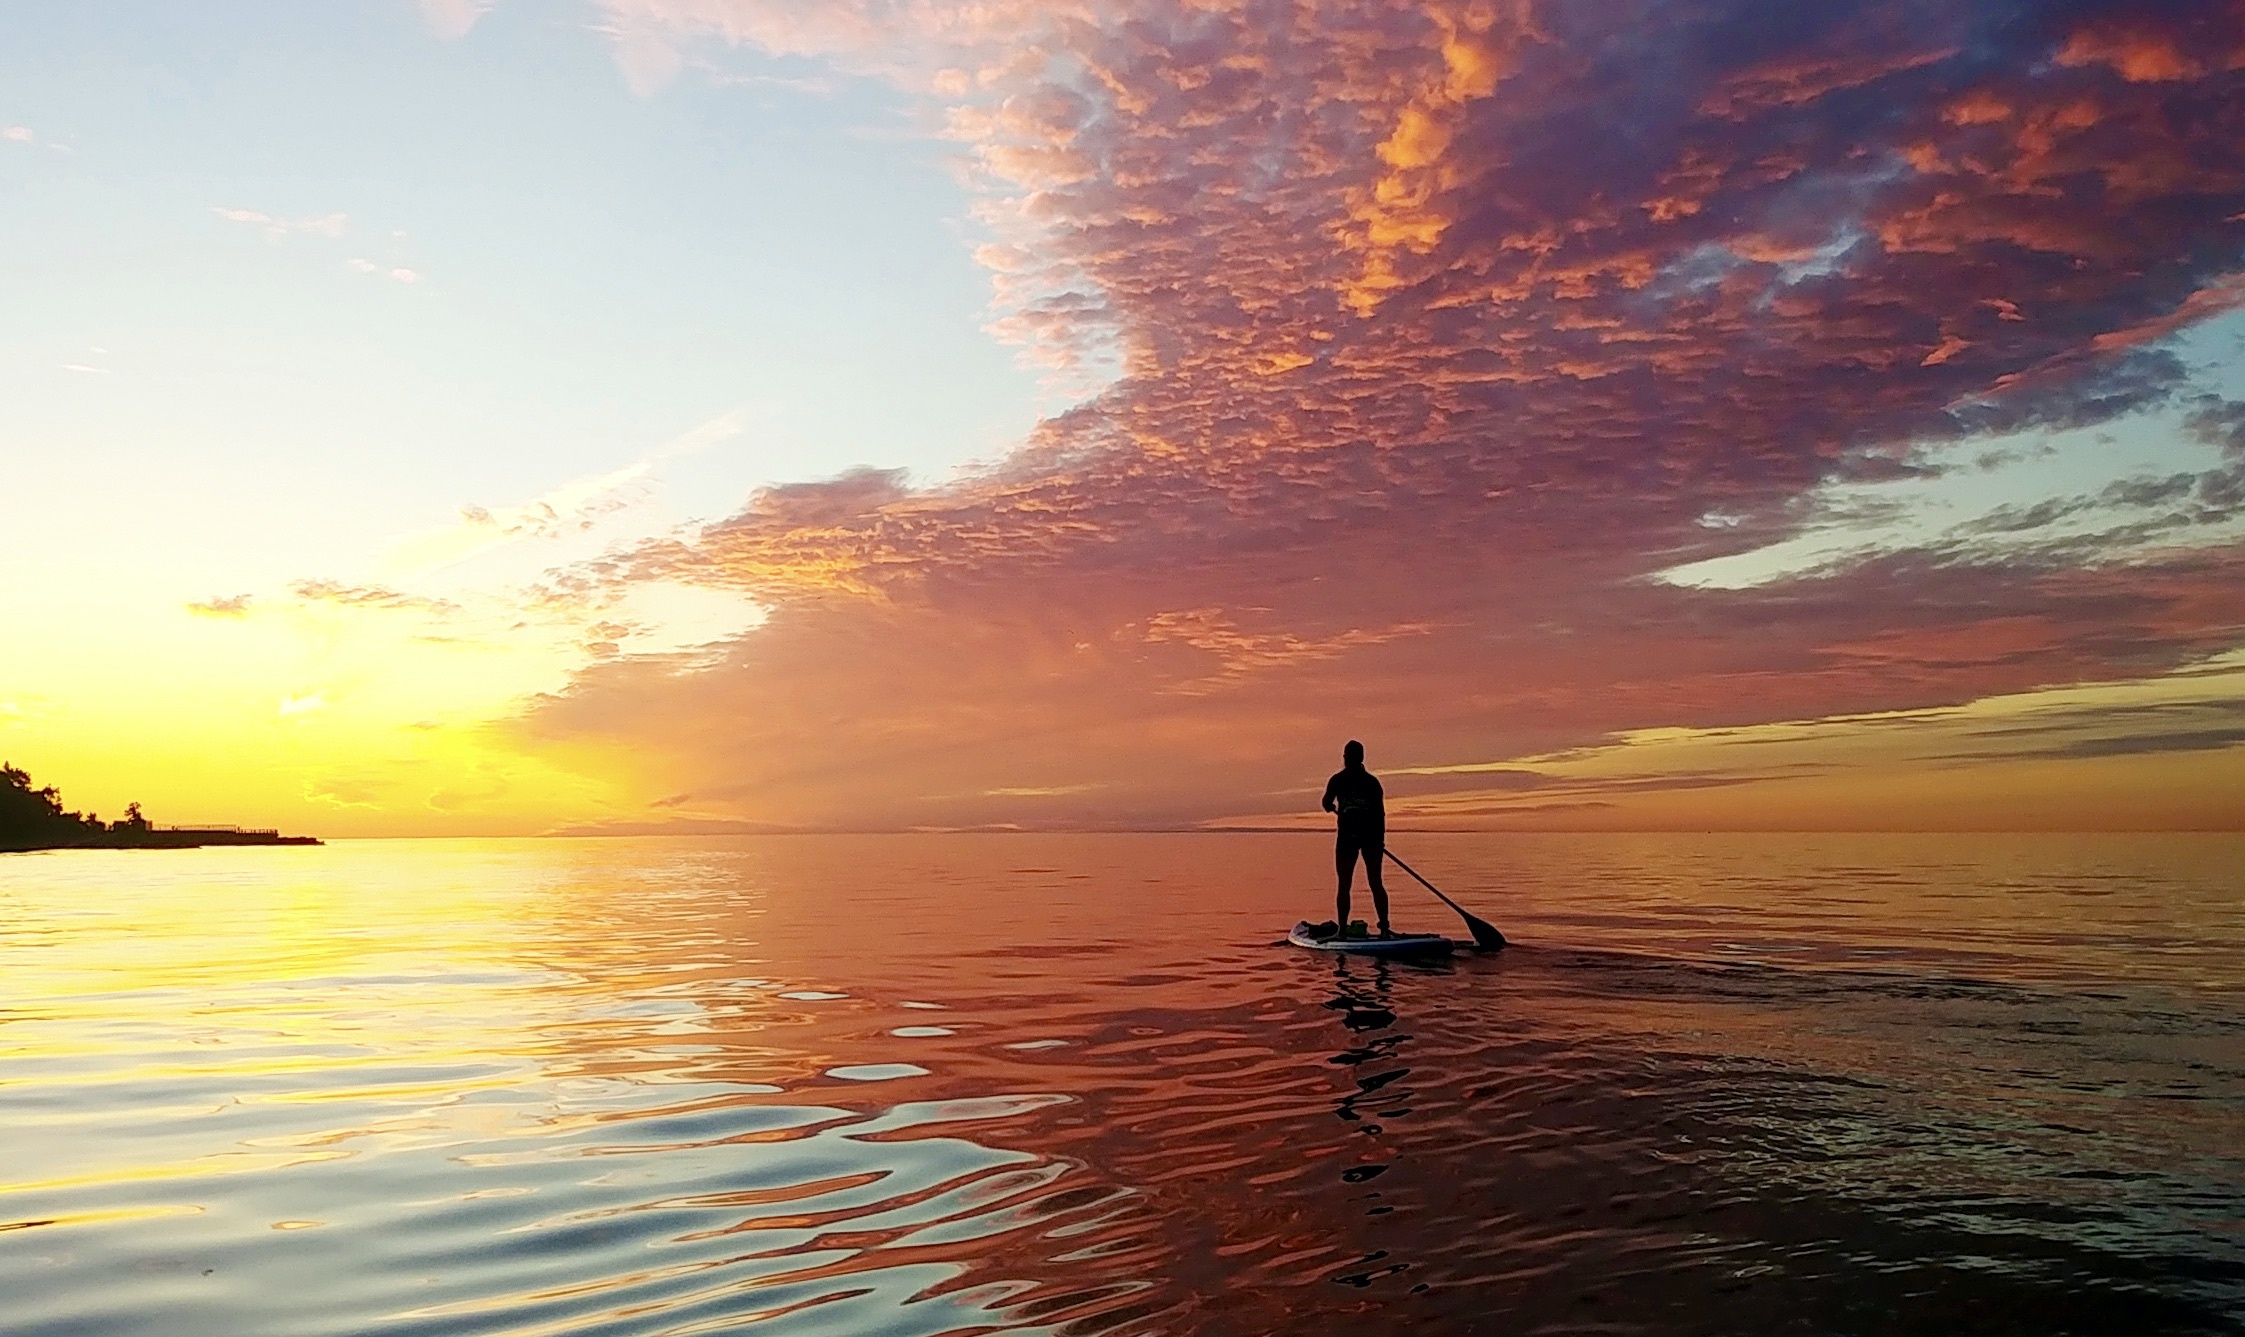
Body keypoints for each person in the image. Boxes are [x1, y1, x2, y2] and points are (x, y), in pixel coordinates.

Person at [1320, 739, 1390, 937]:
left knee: (1353, 883)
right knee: (1368, 882)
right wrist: (1379, 840)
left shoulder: (1343, 780)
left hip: (1361, 839)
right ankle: (1376, 929)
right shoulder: (1370, 782)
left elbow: (1326, 803)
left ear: (1346, 758)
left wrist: (1379, 841)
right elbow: (1327, 803)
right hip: (1359, 839)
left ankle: (1351, 930)